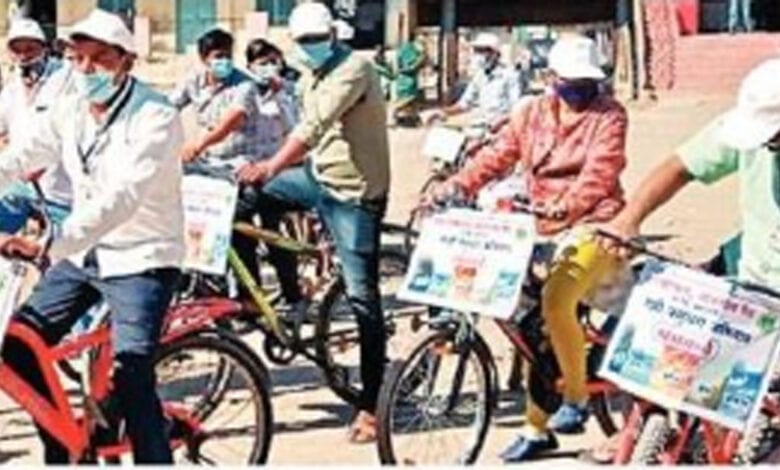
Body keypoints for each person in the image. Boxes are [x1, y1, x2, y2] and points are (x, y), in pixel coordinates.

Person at [427, 35, 627, 462]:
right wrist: (455, 185)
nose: (579, 92)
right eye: (570, 83)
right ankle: (537, 429)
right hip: (536, 222)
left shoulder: (609, 115)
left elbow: (601, 172)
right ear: (551, 79)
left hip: (596, 223)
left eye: (586, 84)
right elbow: (498, 155)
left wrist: (566, 205)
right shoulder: (531, 114)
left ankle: (574, 399)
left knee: (557, 302)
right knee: (529, 326)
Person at [0, 9, 184, 463]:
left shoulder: (155, 116)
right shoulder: (70, 107)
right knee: (19, 347)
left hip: (142, 257)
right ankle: (62, 448)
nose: (85, 69)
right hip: (86, 254)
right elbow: (26, 153)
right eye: (77, 58)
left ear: (127, 62)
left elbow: (123, 196)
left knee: (131, 374)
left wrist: (51, 243)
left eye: (99, 59)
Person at [237, 2, 390, 443]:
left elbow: (313, 127)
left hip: (354, 195)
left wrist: (268, 166)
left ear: (333, 37)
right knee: (241, 204)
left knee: (363, 297)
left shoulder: (355, 68)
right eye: (301, 42)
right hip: (316, 179)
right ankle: (275, 295)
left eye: (314, 41)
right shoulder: (310, 75)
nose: (308, 48)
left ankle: (372, 402)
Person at [169, 29, 302, 307]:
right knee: (208, 223)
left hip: (253, 166)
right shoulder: (193, 83)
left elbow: (234, 119)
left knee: (249, 225)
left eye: (227, 56)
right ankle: (237, 294)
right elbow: (168, 106)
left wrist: (200, 143)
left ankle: (285, 295)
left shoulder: (244, 84)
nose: (224, 62)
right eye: (218, 56)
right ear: (203, 58)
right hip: (215, 168)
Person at [0, 18, 73, 234]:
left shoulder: (65, 81)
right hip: (19, 184)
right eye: (17, 50)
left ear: (44, 48)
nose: (24, 56)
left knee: (64, 252)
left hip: (60, 189)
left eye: (30, 49)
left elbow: (73, 131)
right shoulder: (11, 90)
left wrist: (41, 162)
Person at [435, 32, 524, 126]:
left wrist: (501, 121)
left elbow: (516, 109)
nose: (480, 55)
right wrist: (443, 112)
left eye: (484, 51)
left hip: (503, 129)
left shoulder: (510, 76)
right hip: (482, 126)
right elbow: (464, 104)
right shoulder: (479, 76)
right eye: (477, 51)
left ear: (495, 54)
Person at [393, 34, 426, 126]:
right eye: (422, 42)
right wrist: (421, 58)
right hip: (406, 81)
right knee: (405, 101)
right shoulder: (408, 51)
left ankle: (411, 120)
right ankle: (399, 119)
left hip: (409, 80)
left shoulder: (409, 50)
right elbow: (410, 67)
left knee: (412, 103)